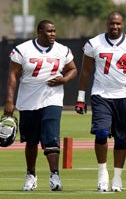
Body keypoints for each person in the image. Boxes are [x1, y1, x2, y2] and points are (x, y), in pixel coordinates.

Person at [75, 11, 126, 192]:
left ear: (123, 24)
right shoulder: (94, 43)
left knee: (121, 139)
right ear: (107, 24)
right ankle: (102, 174)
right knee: (101, 133)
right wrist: (80, 97)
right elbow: (85, 71)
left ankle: (117, 178)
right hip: (101, 95)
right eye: (112, 24)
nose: (115, 27)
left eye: (118, 24)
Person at [3, 20, 77, 191]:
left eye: (54, 31)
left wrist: (64, 79)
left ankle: (55, 176)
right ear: (39, 32)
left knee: (51, 138)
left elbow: (73, 69)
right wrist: (9, 100)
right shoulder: (23, 49)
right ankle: (31, 174)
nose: (52, 34)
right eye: (49, 31)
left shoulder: (62, 50)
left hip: (53, 99)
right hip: (28, 101)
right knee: (31, 141)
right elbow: (13, 75)